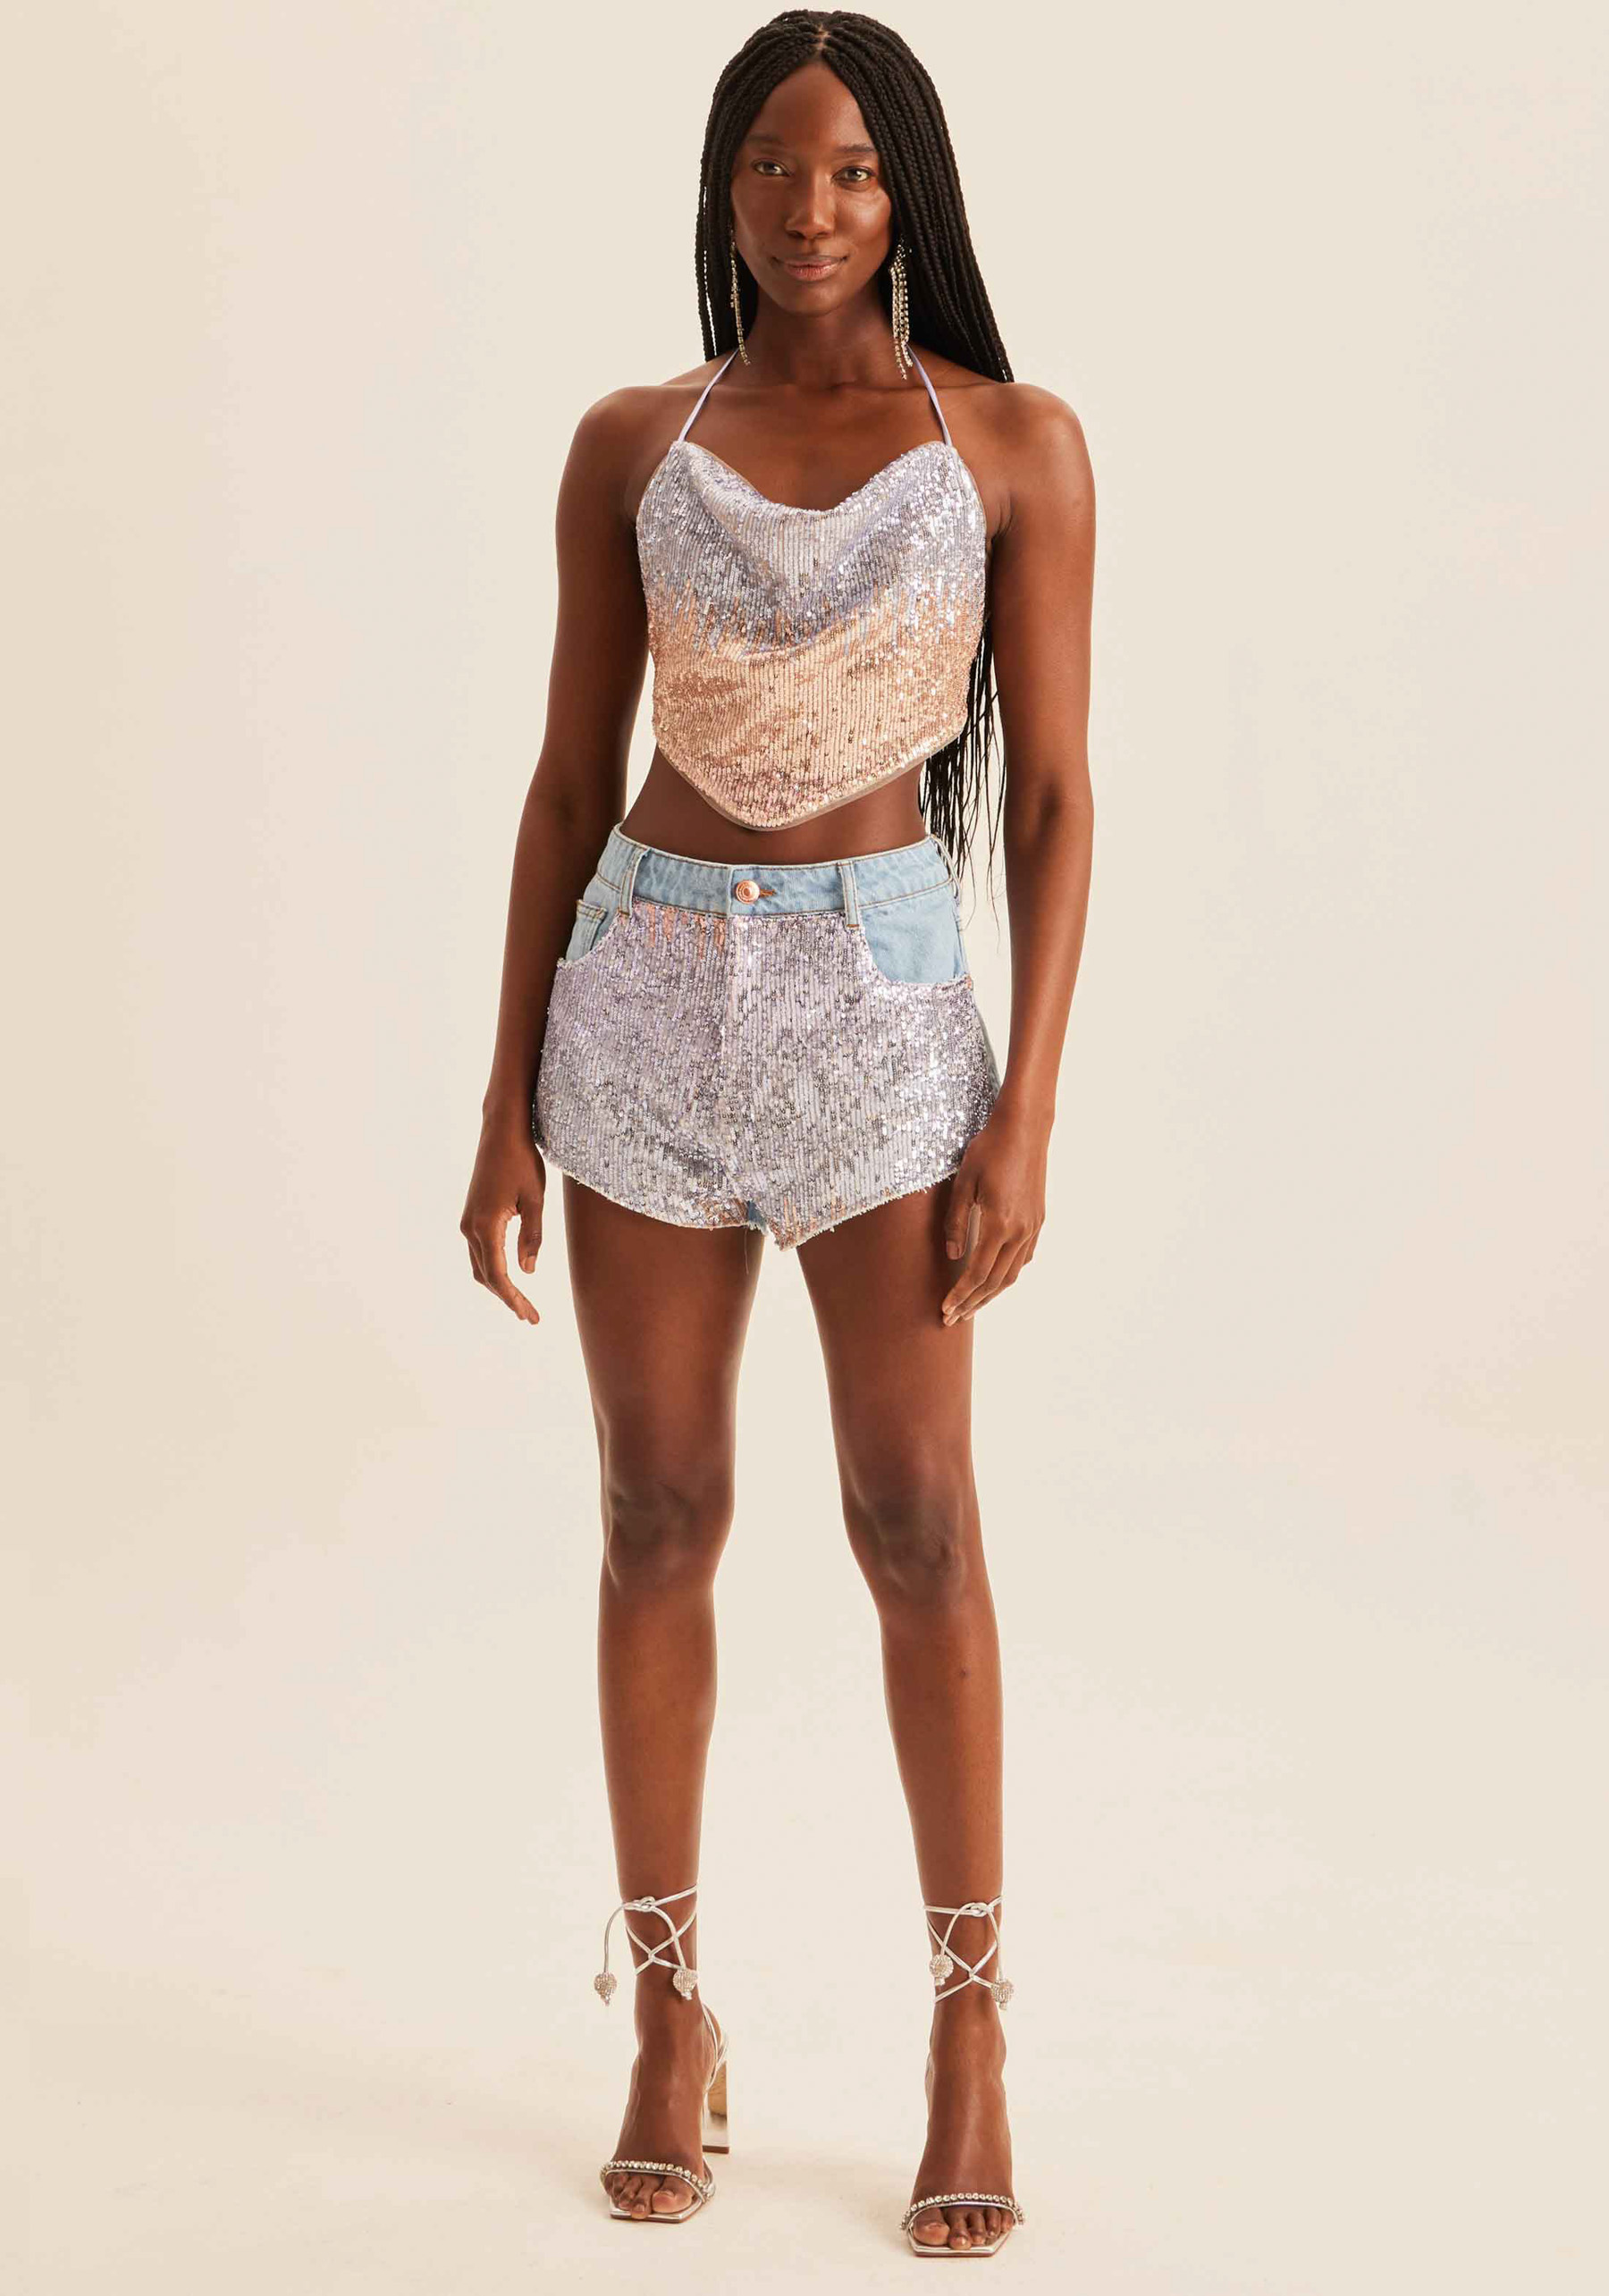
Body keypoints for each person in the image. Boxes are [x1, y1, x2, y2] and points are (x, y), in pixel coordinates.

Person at [459, 7, 1094, 2258]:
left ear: (904, 191)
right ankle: (666, 2010)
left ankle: (970, 2029)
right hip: (640, 1001)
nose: (805, 209)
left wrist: (1027, 1109)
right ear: (721, 188)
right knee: (657, 1512)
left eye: (847, 171)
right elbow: (567, 776)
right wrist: (505, 1101)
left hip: (885, 1015)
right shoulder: (632, 440)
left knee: (916, 1520)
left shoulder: (1010, 443)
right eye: (767, 167)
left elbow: (1050, 796)